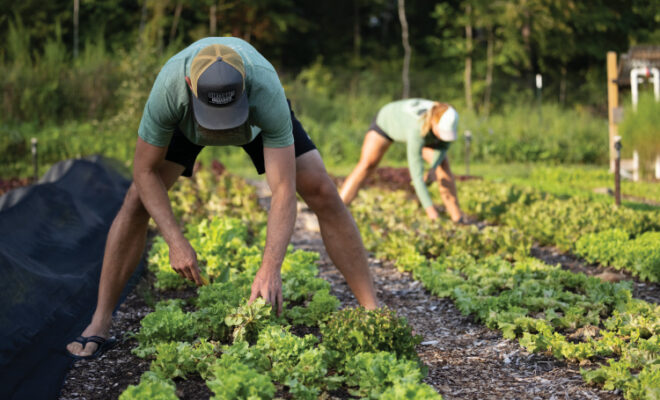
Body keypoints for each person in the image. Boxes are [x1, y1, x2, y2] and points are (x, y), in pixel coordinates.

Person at [66, 37, 379, 359]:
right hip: (188, 125)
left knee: (323, 191)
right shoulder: (169, 89)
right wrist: (175, 240)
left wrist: (270, 267)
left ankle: (373, 311)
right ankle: (99, 321)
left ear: (244, 86)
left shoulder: (264, 89)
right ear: (190, 83)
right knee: (136, 201)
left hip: (254, 123)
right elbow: (144, 172)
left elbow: (283, 188)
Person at [340, 99, 465, 222]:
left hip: (420, 129)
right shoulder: (416, 129)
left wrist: (433, 169)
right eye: (442, 132)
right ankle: (339, 209)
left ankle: (457, 218)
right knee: (367, 164)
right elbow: (416, 176)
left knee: (443, 165)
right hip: (387, 120)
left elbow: (442, 148)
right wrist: (431, 212)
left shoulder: (446, 117)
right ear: (433, 122)